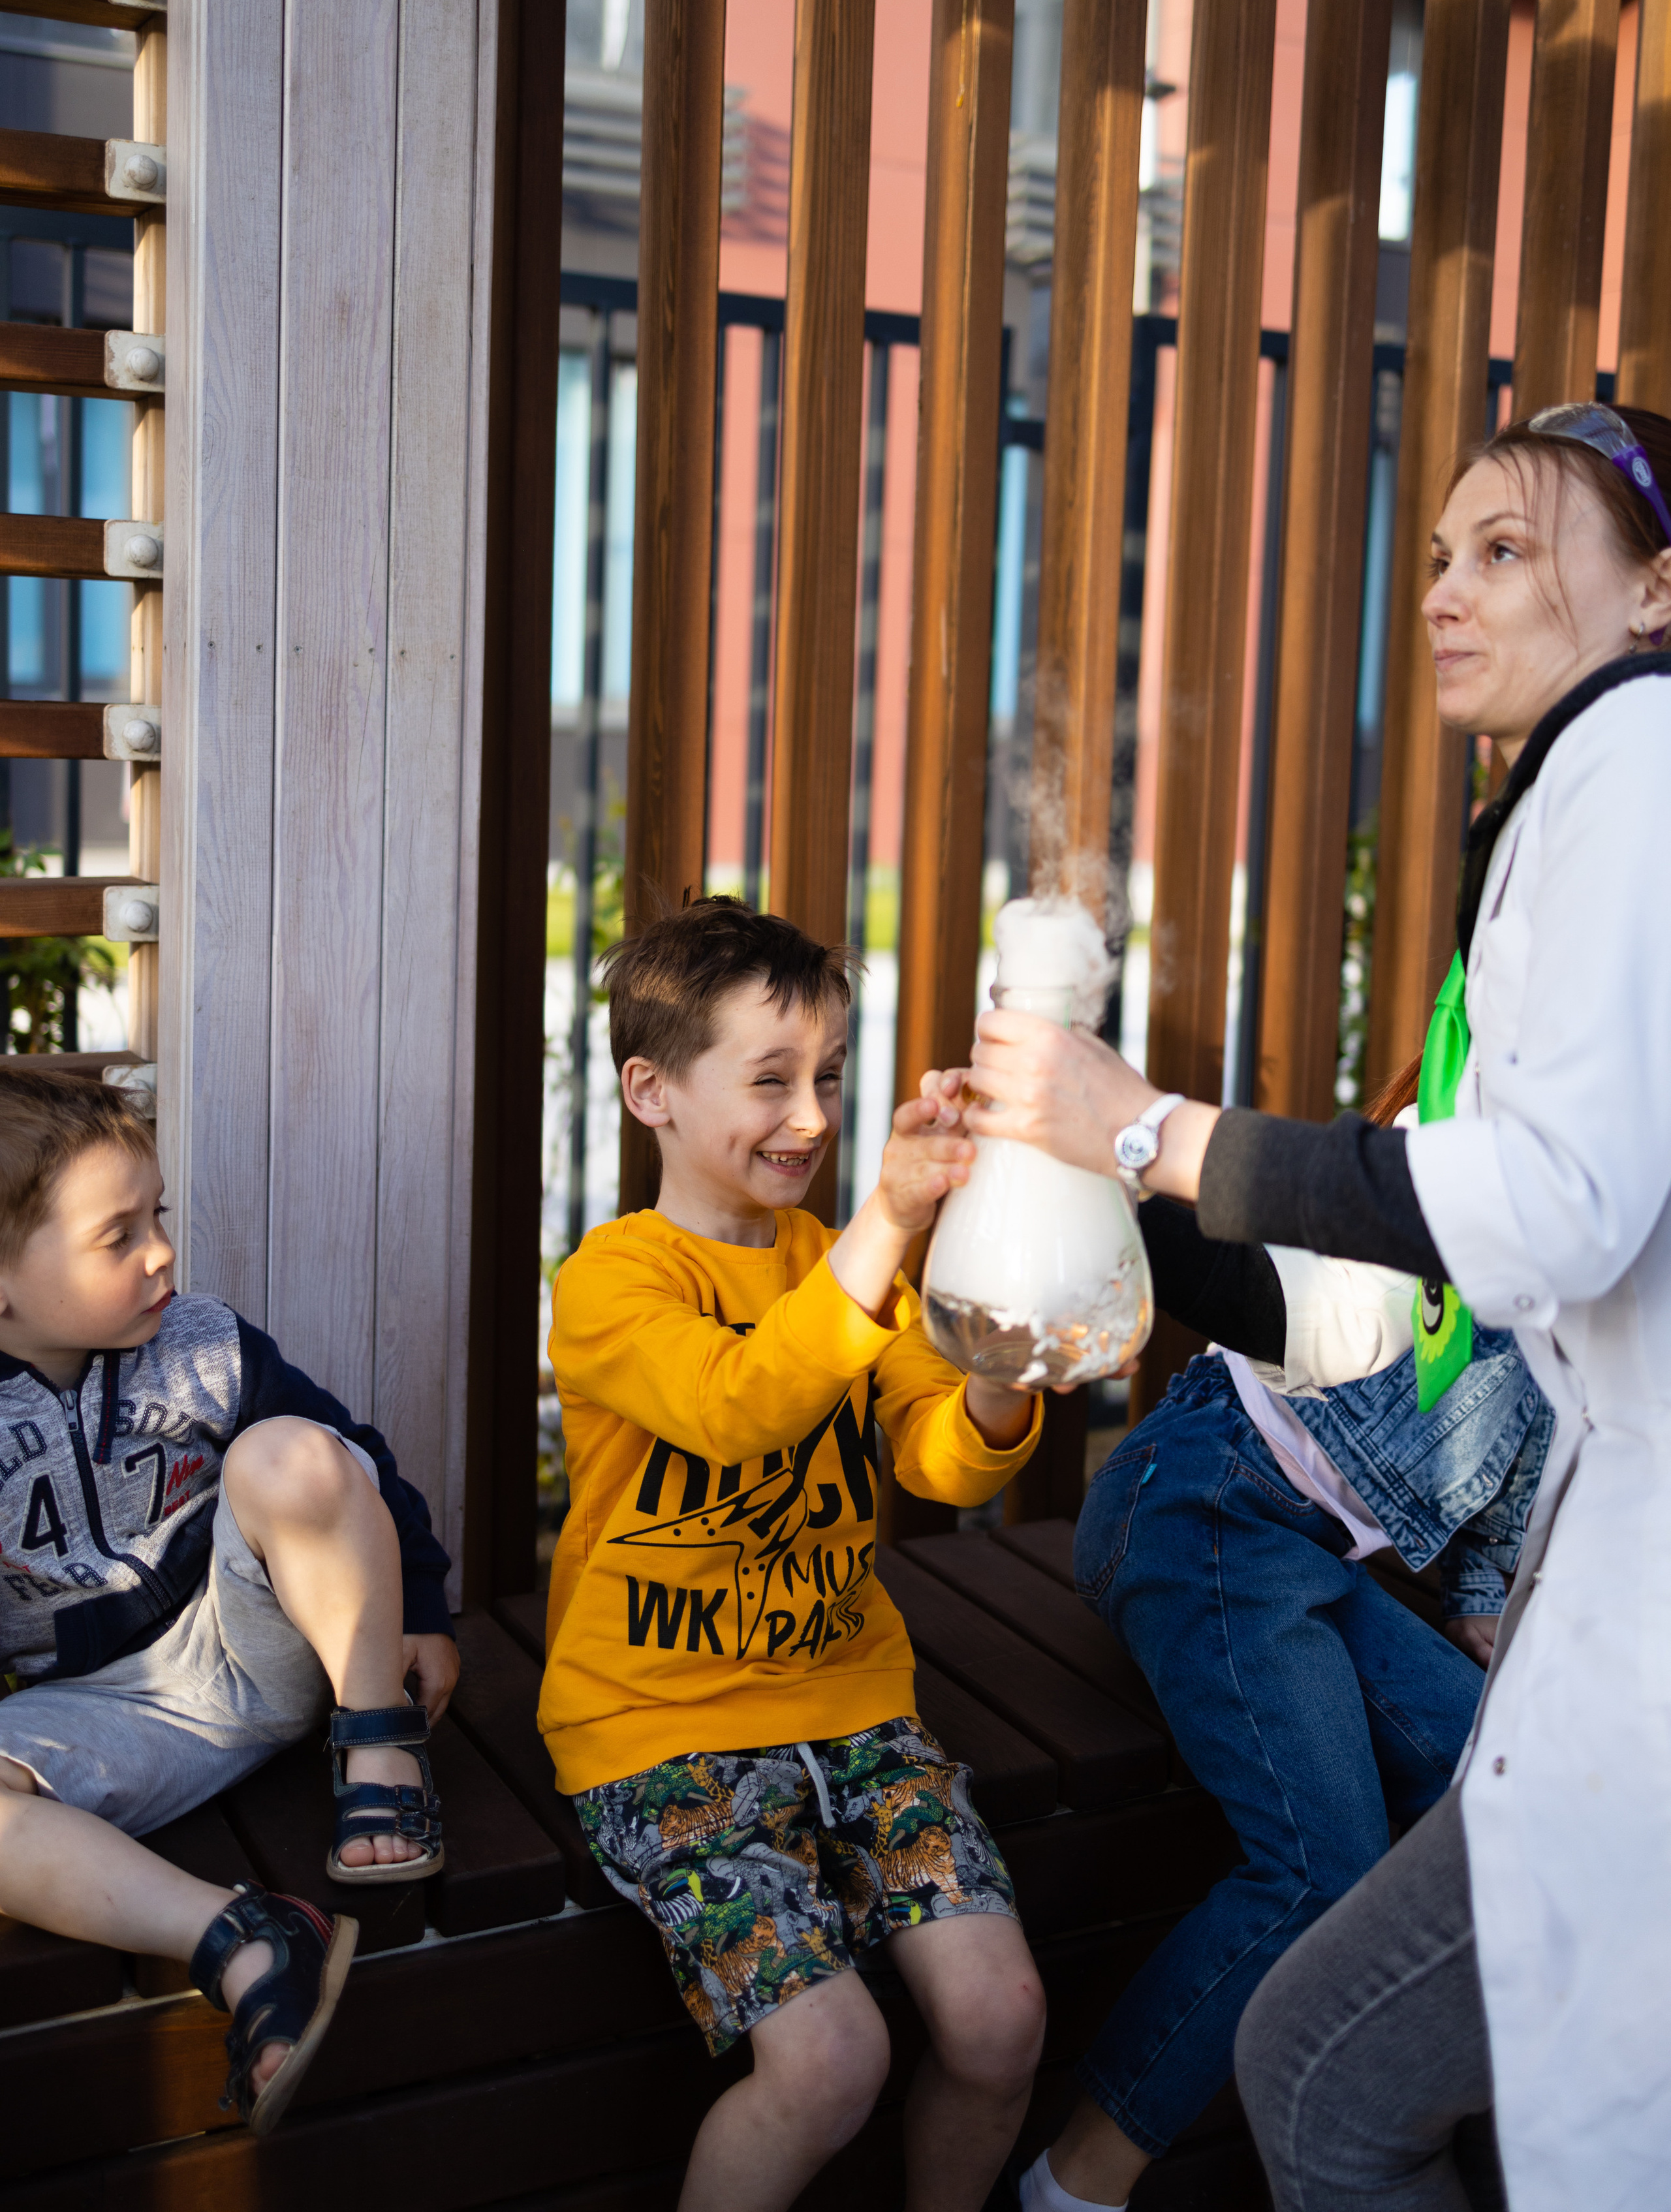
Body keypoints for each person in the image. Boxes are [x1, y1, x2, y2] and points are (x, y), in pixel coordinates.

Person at [960, 404, 1671, 2211]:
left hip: (1475, 1586)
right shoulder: (1576, 823)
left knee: (1350, 2033)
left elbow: (1529, 1224)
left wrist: (1143, 1127)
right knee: (1336, 1970)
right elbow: (1372, 1283)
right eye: (1437, 553)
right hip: (1238, 1491)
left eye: (1505, 552)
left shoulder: (1633, 775)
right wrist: (1109, 1206)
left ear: (1656, 594)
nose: (1441, 591)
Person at [537, 896, 1048, 2212]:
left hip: (859, 1712)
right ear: (649, 1090)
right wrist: (890, 1221)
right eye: (768, 1081)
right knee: (826, 2064)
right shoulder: (610, 1284)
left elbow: (939, 1456)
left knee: (998, 2023)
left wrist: (995, 1380)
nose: (811, 1118)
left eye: (826, 1075)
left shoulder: (847, 1261)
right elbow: (739, 1401)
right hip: (658, 1734)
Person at [1010, 1162, 1548, 2212]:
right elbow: (1302, 1300)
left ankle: (1405, 2133)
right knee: (1318, 1869)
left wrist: (1486, 1598)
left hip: (1315, 1554)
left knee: (1491, 1796)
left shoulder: (1601, 1281)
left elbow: (1530, 1444)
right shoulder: (1461, 1156)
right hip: (1205, 1493)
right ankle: (1073, 2185)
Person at [0, 1068, 459, 2134]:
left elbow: (361, 1469)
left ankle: (380, 1750)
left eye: (155, 1215)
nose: (161, 1250)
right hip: (99, 1725)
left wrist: (423, 1608)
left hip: (270, 1648)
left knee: (288, 1453)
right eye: (118, 1236)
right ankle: (247, 1938)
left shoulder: (202, 1346)